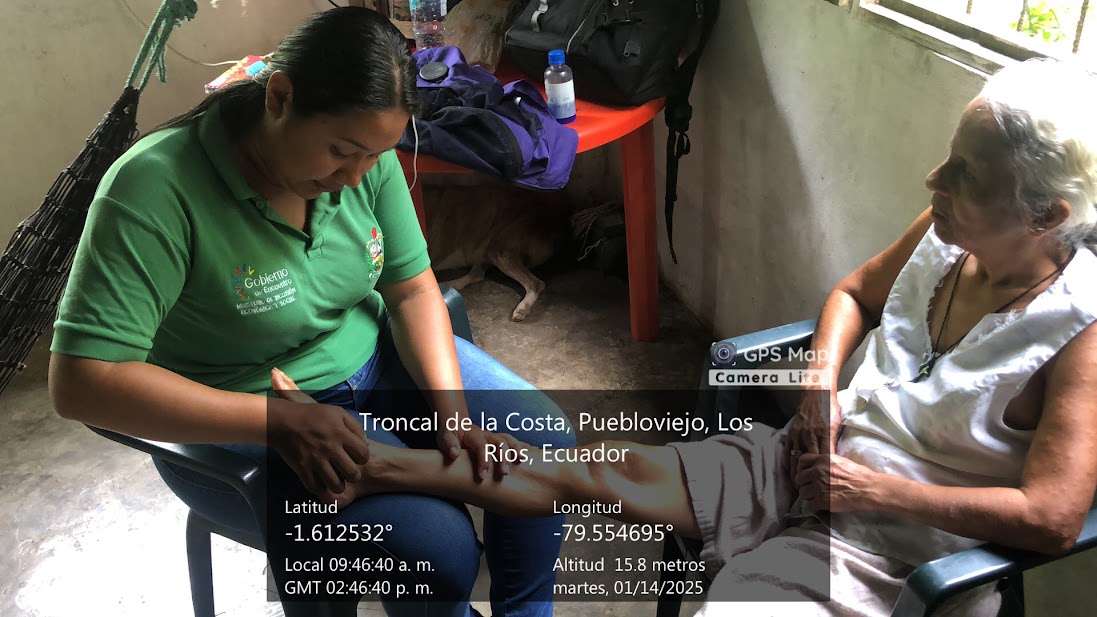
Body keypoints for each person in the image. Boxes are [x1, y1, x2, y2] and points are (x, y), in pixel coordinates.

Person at [273, 57, 1097, 616]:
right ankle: (375, 466)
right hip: (805, 465)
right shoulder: (945, 228)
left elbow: (1053, 518)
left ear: (1045, 215)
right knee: (591, 468)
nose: (934, 180)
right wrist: (817, 389)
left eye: (964, 174)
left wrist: (873, 493)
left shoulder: (1077, 330)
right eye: (947, 159)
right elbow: (852, 293)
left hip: (892, 545)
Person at [47, 7, 574, 617]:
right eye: (341, 152)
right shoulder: (153, 189)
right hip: (240, 409)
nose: (356, 177)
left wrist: (451, 413)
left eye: (375, 156)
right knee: (438, 551)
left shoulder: (365, 161)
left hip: (372, 359)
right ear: (279, 98)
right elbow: (83, 382)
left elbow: (411, 288)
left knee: (545, 446)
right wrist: (277, 423)